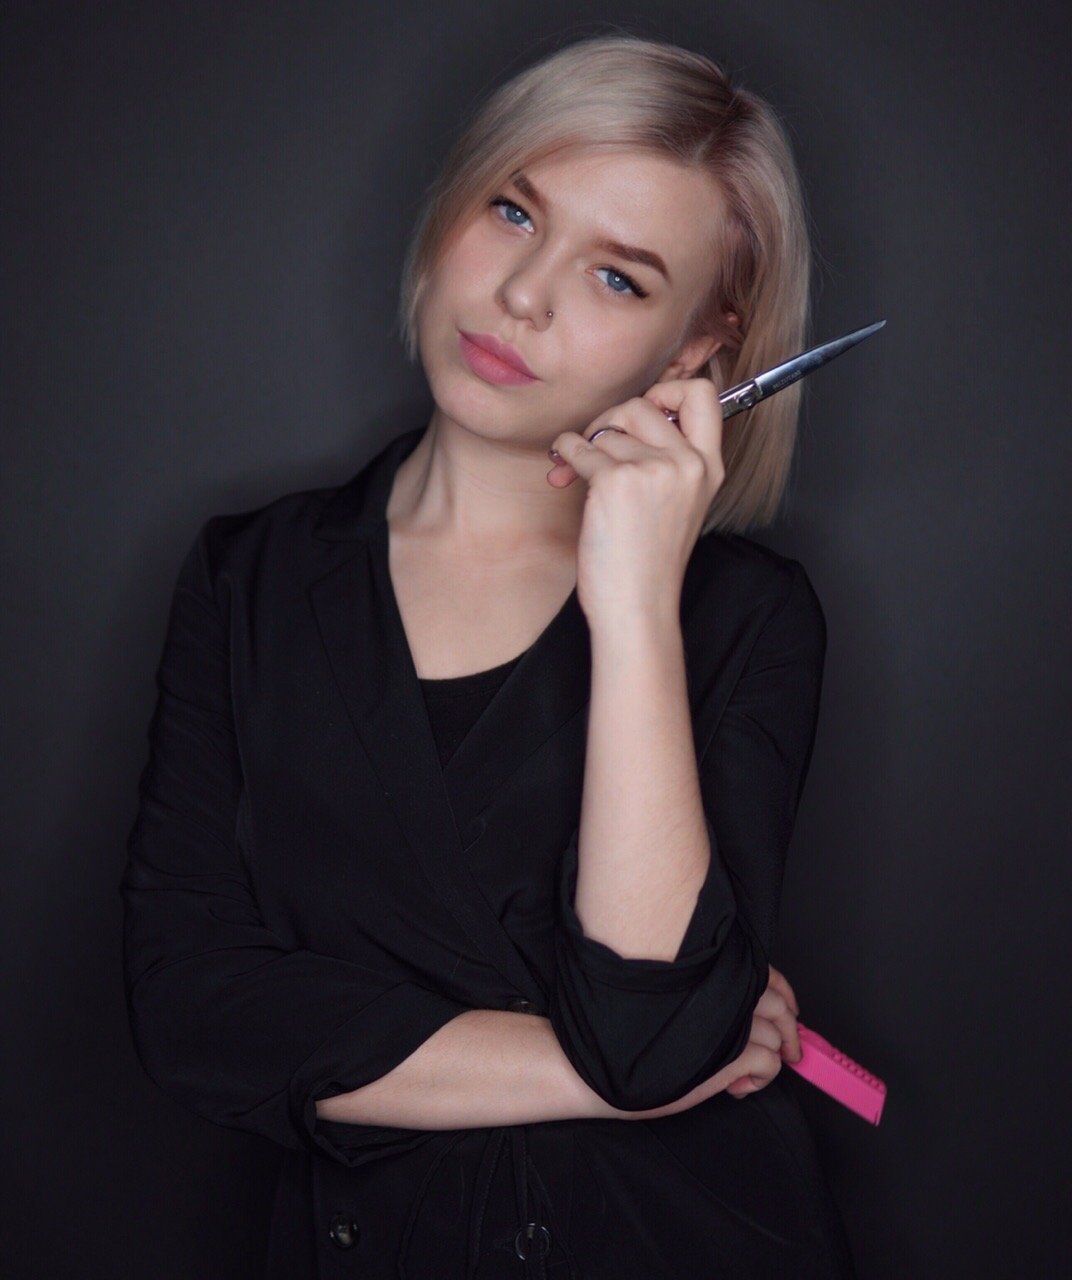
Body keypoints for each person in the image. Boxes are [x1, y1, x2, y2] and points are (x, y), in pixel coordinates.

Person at [120, 32, 858, 1279]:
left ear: (697, 346)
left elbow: (644, 1018)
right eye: (514, 211)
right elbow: (192, 1008)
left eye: (617, 277)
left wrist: (633, 601)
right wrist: (618, 1068)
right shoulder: (249, 574)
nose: (525, 295)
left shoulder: (747, 616)